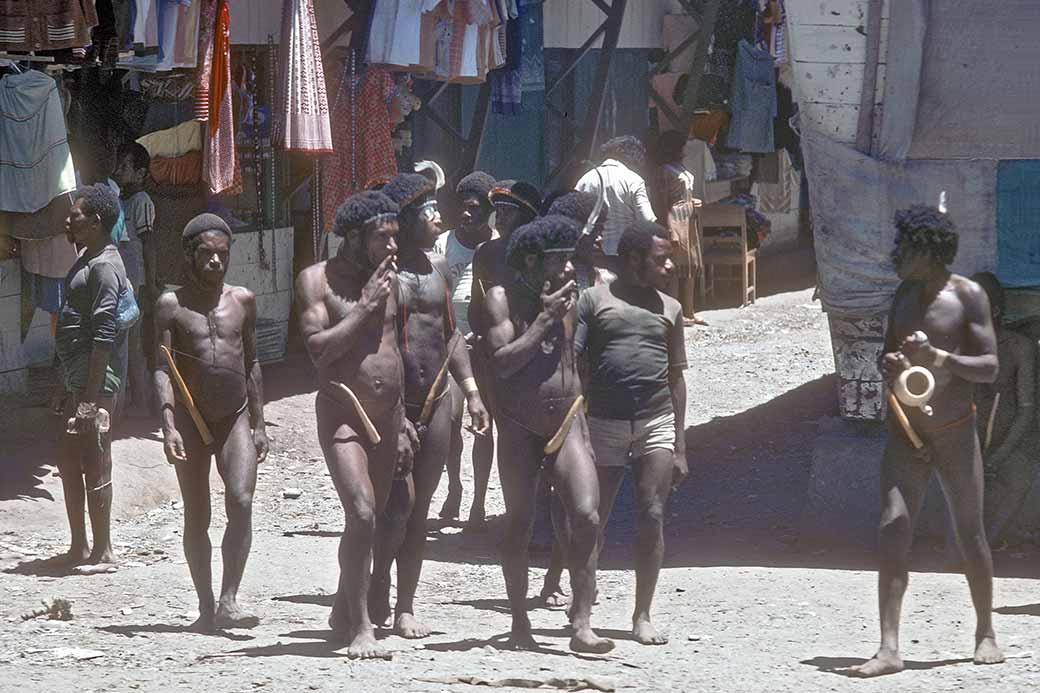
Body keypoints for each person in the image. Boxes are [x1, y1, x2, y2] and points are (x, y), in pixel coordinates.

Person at [853, 205, 1004, 677]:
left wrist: (937, 355)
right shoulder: (903, 294)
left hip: (955, 432)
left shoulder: (968, 295)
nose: (896, 255)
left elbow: (990, 367)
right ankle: (889, 647)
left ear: (928, 250)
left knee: (969, 532)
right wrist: (892, 363)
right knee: (892, 527)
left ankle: (985, 633)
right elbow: (886, 356)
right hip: (907, 430)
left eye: (904, 247)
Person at [483, 215, 613, 653]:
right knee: (519, 522)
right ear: (532, 262)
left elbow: (578, 365)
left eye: (569, 261)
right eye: (559, 262)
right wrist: (542, 320)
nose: (568, 270)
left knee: (587, 515)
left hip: (568, 419)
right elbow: (501, 362)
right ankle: (520, 620)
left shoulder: (573, 299)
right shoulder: (500, 300)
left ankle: (581, 622)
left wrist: (587, 420)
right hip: (519, 427)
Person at [295, 191, 413, 659]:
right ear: (354, 237)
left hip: (389, 418)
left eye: (395, 237)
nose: (392, 247)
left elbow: (397, 354)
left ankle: (345, 608)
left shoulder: (392, 282)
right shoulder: (315, 280)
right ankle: (362, 626)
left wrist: (403, 424)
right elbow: (318, 349)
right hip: (344, 414)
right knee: (361, 512)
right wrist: (363, 306)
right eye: (382, 237)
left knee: (375, 519)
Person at [372, 173, 490, 638]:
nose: (438, 217)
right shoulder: (386, 274)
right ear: (407, 219)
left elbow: (450, 334)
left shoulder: (440, 268)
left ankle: (405, 605)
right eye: (429, 212)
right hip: (396, 404)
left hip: (439, 398)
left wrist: (473, 390)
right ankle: (377, 580)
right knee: (397, 505)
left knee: (420, 512)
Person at [153, 214, 269, 632]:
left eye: (222, 254)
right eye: (207, 254)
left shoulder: (244, 301)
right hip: (190, 420)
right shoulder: (171, 306)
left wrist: (259, 422)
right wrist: (168, 425)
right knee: (196, 515)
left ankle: (229, 599)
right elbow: (163, 368)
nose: (216, 262)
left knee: (240, 501)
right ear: (190, 255)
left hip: (235, 417)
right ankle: (205, 608)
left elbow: (253, 362)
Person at [575, 220, 689, 645]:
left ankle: (642, 615)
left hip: (655, 421)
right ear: (632, 259)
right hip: (602, 422)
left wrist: (680, 444)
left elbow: (677, 378)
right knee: (591, 520)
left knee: (652, 514)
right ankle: (582, 617)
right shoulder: (592, 301)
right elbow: (575, 364)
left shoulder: (671, 309)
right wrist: (574, 428)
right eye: (661, 259)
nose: (669, 266)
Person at [52, 184, 129, 572]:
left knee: (96, 458)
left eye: (76, 214)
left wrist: (88, 400)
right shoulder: (88, 257)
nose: (69, 219)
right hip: (78, 379)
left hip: (96, 382)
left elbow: (103, 336)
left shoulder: (103, 267)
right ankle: (80, 546)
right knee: (69, 460)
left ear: (96, 222)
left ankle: (104, 552)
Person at [466, 179, 541, 528]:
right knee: (488, 431)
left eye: (509, 212)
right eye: (498, 212)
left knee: (520, 435)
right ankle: (480, 503)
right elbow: (475, 309)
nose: (501, 219)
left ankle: (521, 511)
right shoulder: (487, 254)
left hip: (526, 354)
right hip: (493, 354)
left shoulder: (535, 257)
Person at [433, 170, 498, 522]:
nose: (466, 213)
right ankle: (455, 486)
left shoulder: (497, 245)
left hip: (485, 346)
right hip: (452, 344)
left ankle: (478, 502)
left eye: (475, 208)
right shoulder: (445, 243)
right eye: (464, 206)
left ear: (489, 211)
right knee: (451, 421)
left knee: (483, 426)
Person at [970, 273, 1037, 548]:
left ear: (995, 311)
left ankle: (989, 543)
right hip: (966, 442)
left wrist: (997, 457)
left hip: (1007, 442)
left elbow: (1025, 409)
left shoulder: (1020, 348)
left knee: (1019, 480)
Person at [111, 141, 157, 416]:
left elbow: (149, 244)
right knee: (122, 340)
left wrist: (150, 284)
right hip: (121, 279)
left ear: (140, 173)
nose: (119, 170)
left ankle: (140, 402)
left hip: (135, 280)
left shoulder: (141, 202)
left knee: (132, 342)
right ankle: (129, 399)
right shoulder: (118, 198)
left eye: (125, 166)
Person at [649, 130, 706, 326]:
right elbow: (662, 201)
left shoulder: (679, 167)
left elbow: (683, 194)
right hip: (675, 222)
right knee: (675, 268)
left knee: (690, 266)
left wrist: (692, 202)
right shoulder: (663, 170)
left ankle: (690, 311)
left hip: (688, 220)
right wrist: (667, 228)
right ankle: (675, 313)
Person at [575, 136, 656, 257]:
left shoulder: (585, 179)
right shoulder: (634, 180)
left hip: (592, 253)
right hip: (624, 255)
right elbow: (647, 221)